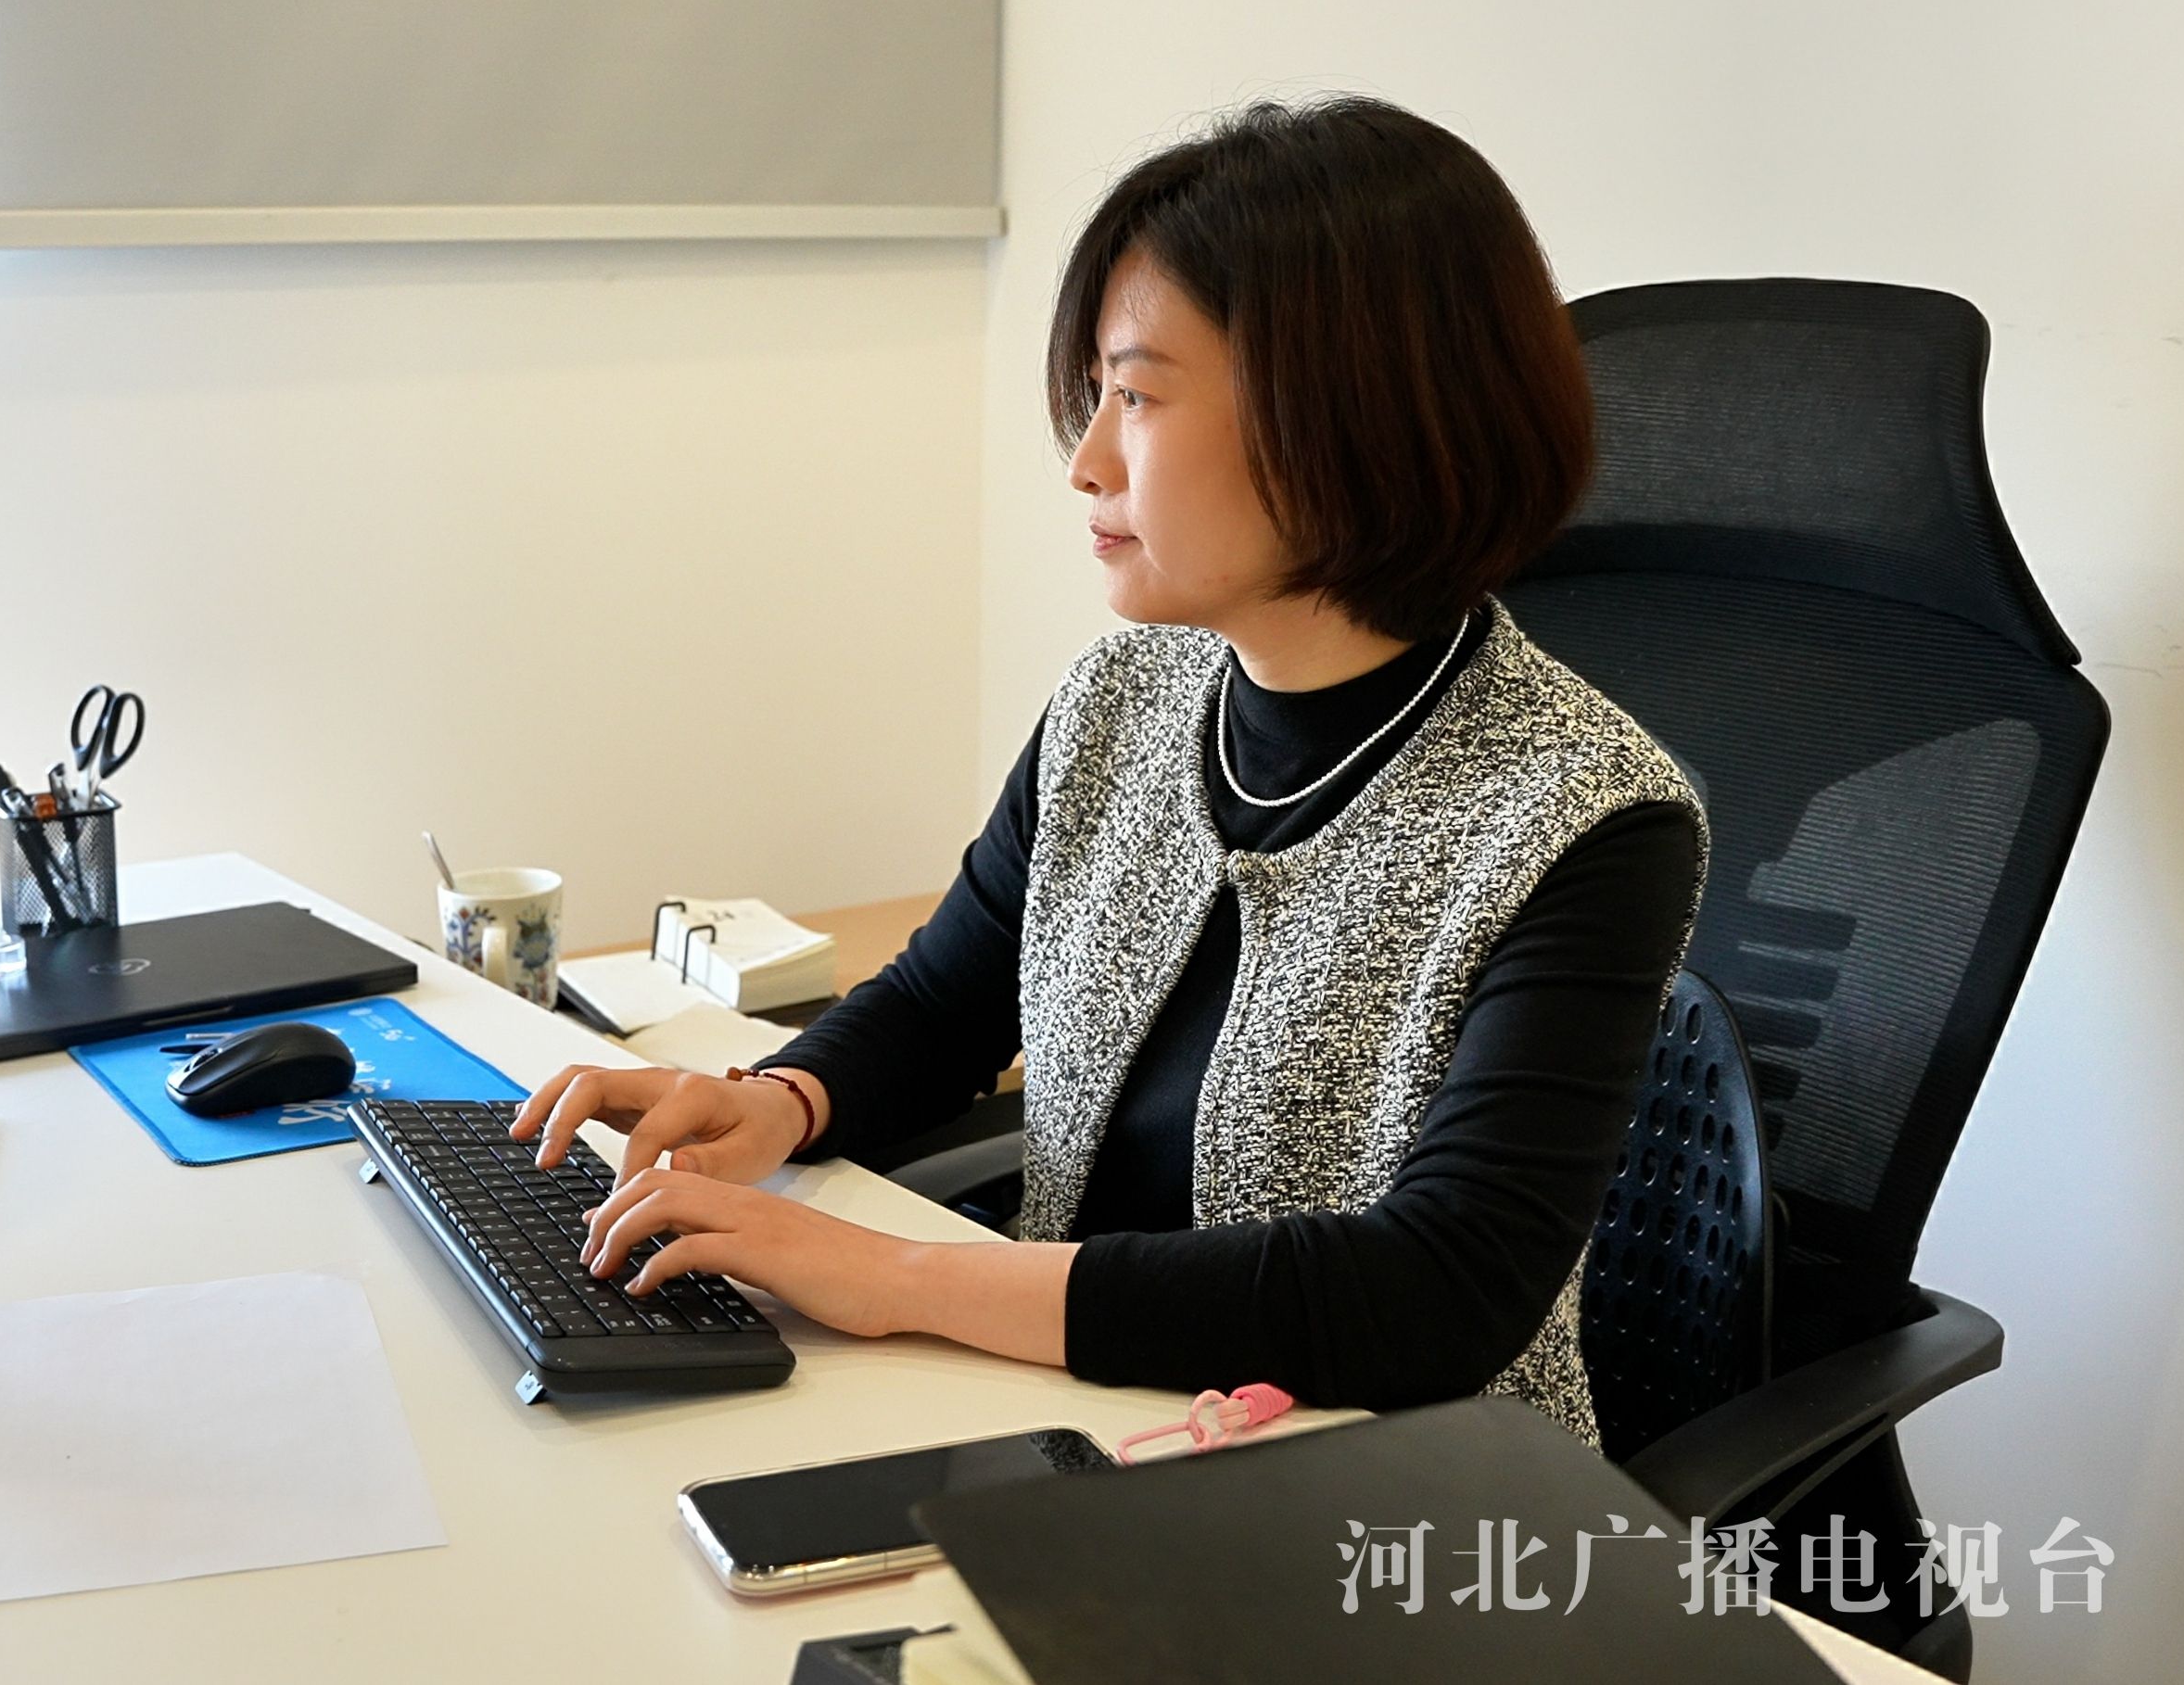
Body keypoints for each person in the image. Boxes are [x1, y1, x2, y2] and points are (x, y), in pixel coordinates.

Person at [512, 95, 1707, 1444]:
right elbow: (947, 1000)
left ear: (1342, 418)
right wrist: (773, 1104)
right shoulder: (1123, 697)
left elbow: (1440, 1292)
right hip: (1078, 1416)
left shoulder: (1585, 813)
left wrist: (896, 1279)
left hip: (1385, 1488)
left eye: (1134, 396)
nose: (1085, 462)